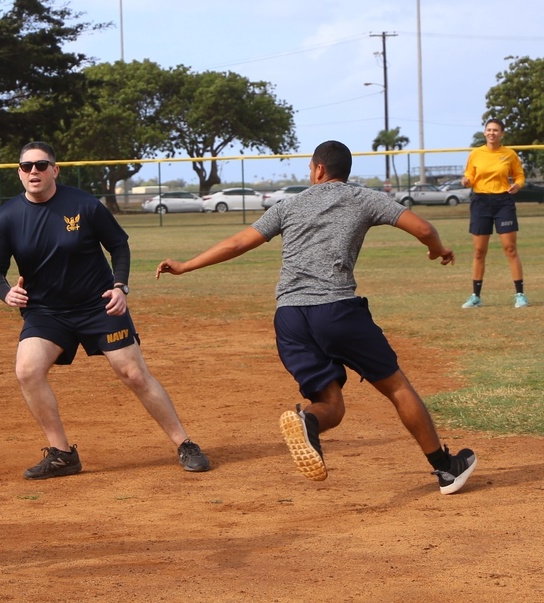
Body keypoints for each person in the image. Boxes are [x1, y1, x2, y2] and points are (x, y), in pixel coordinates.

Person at [156, 140, 477, 495]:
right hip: (336, 311)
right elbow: (423, 228)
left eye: (310, 169)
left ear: (319, 169)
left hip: (290, 317)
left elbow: (236, 243)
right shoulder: (363, 198)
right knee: (397, 387)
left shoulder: (289, 205)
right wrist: (438, 249)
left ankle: (308, 420)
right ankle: (446, 469)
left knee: (330, 405)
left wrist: (185, 266)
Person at [0, 141, 211, 479]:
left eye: (41, 165)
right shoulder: (8, 218)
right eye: (26, 166)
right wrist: (6, 292)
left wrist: (120, 287)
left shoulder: (84, 205)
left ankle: (185, 443)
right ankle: (61, 453)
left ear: (55, 170)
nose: (34, 172)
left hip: (98, 304)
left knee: (133, 374)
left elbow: (118, 245)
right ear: (19, 172)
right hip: (46, 311)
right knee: (27, 370)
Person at [460, 118, 528, 309]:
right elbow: (470, 176)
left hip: (503, 202)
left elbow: (519, 175)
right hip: (481, 202)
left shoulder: (509, 154)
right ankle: (476, 296)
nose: (492, 133)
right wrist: (466, 181)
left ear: (502, 134)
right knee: (480, 251)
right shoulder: (476, 153)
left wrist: (518, 184)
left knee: (510, 249)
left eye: (496, 130)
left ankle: (520, 294)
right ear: (485, 133)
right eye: (489, 130)